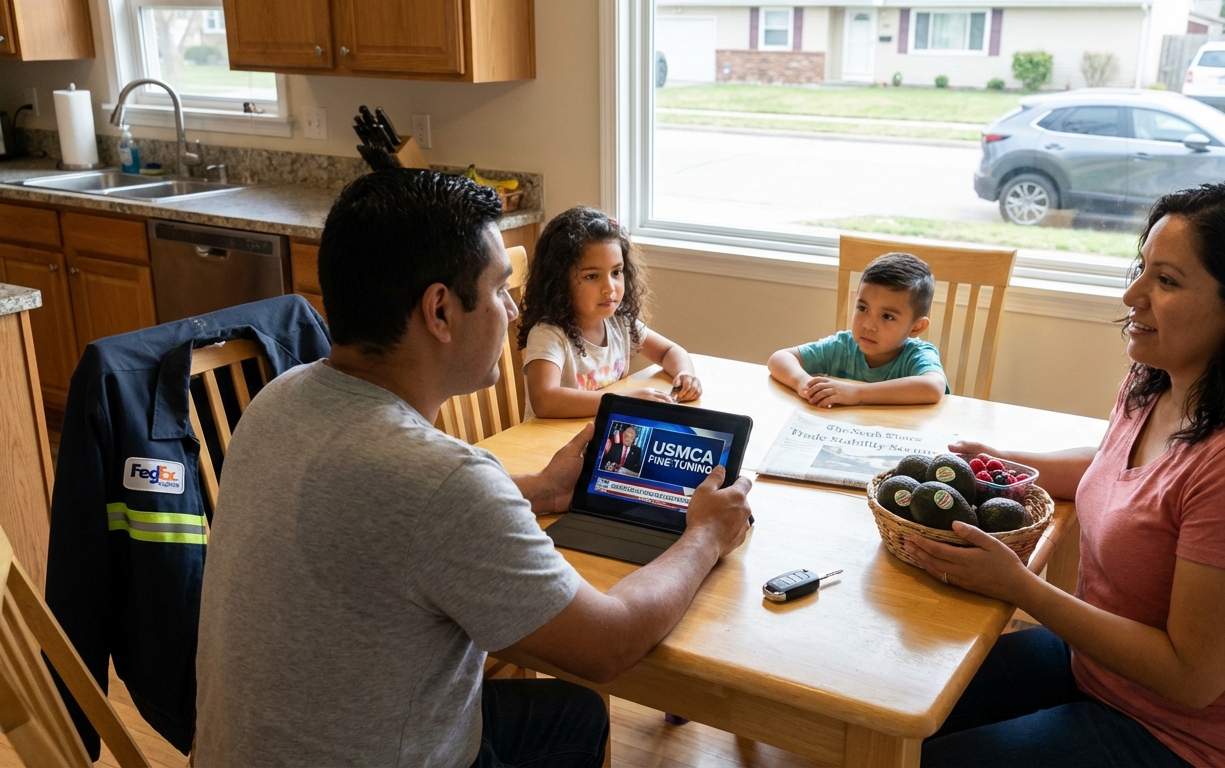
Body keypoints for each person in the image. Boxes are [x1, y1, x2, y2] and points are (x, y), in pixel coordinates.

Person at [194, 170, 754, 767]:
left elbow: (390, 509)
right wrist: (705, 535)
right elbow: (607, 645)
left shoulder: (276, 400)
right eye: (500, 289)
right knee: (579, 708)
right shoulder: (444, 482)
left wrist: (540, 489)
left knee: (573, 713)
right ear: (440, 310)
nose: (512, 310)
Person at [908, 183, 1225, 767]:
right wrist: (1004, 465)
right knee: (908, 707)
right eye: (1142, 268)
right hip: (1102, 672)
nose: (1131, 294)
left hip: (1197, 742)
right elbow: (1117, 471)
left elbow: (1191, 677)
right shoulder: (1161, 381)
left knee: (928, 758)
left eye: (1166, 281)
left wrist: (1020, 587)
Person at [518, 206, 701, 419]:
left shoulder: (619, 322)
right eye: (592, 276)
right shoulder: (549, 334)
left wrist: (685, 374)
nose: (609, 288)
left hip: (600, 433)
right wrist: (624, 401)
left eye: (616, 272)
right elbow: (545, 401)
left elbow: (668, 351)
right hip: (550, 439)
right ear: (558, 282)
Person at [767, 252, 947, 407]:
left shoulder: (916, 355)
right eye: (862, 308)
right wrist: (805, 384)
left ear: (916, 327)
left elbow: (933, 387)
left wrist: (856, 393)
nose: (868, 325)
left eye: (887, 316)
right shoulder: (842, 347)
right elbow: (780, 358)